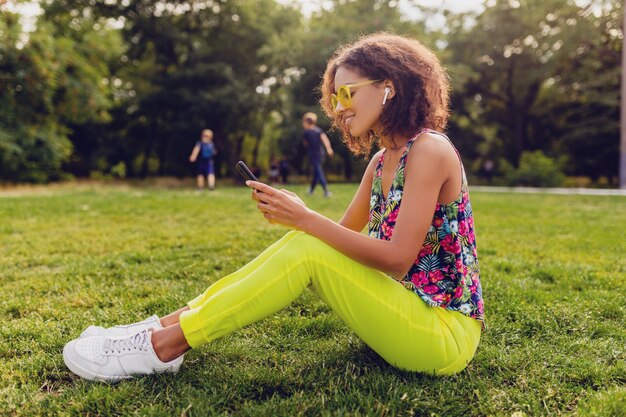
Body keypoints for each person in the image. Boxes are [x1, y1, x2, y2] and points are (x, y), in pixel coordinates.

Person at [63, 33, 484, 382]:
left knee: (307, 241)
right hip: (406, 316)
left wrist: (306, 218)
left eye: (345, 93)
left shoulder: (429, 150)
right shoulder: (380, 162)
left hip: (442, 336)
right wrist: (299, 219)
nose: (337, 108)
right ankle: (162, 327)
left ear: (388, 86)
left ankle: (163, 348)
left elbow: (396, 260)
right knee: (305, 240)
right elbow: (337, 242)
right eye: (333, 96)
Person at [302, 112, 334, 197]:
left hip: (313, 155)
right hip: (321, 154)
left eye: (304, 122)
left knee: (318, 172)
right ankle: (311, 191)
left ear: (307, 122)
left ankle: (326, 191)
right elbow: (325, 139)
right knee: (316, 173)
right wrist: (329, 149)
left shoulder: (306, 132)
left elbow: (306, 144)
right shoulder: (318, 130)